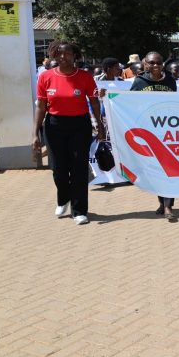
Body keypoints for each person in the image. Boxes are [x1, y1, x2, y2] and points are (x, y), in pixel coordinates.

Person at [32, 40, 104, 225]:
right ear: (54, 55)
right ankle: (63, 199)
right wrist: (35, 134)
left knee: (78, 168)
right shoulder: (46, 76)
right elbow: (41, 106)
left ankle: (79, 211)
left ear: (75, 55)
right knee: (58, 170)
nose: (63, 57)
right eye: (59, 53)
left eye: (67, 53)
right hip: (54, 126)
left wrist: (100, 125)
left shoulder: (85, 77)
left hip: (80, 126)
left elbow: (94, 102)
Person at [130, 51, 179, 222]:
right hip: (148, 133)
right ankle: (161, 202)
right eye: (152, 63)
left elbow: (176, 102)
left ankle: (168, 206)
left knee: (169, 169)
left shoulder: (170, 80)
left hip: (168, 131)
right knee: (157, 171)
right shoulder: (139, 82)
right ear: (146, 64)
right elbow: (128, 102)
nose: (156, 66)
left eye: (159, 62)